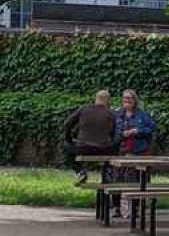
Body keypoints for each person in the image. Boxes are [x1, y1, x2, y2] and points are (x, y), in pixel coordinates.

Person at [109, 89, 157, 217]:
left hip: (138, 152)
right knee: (117, 179)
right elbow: (111, 131)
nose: (127, 101)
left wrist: (137, 131)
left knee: (137, 179)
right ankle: (118, 208)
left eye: (130, 98)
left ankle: (136, 208)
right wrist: (121, 134)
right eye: (125, 98)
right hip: (120, 152)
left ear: (135, 100)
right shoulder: (118, 115)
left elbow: (152, 128)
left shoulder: (142, 115)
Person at [63, 90, 117, 184]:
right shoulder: (111, 113)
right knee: (113, 147)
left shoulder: (84, 109)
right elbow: (114, 133)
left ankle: (80, 171)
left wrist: (69, 140)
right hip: (103, 150)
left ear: (95, 99)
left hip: (82, 148)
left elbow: (67, 124)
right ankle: (108, 173)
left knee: (66, 146)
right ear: (108, 101)